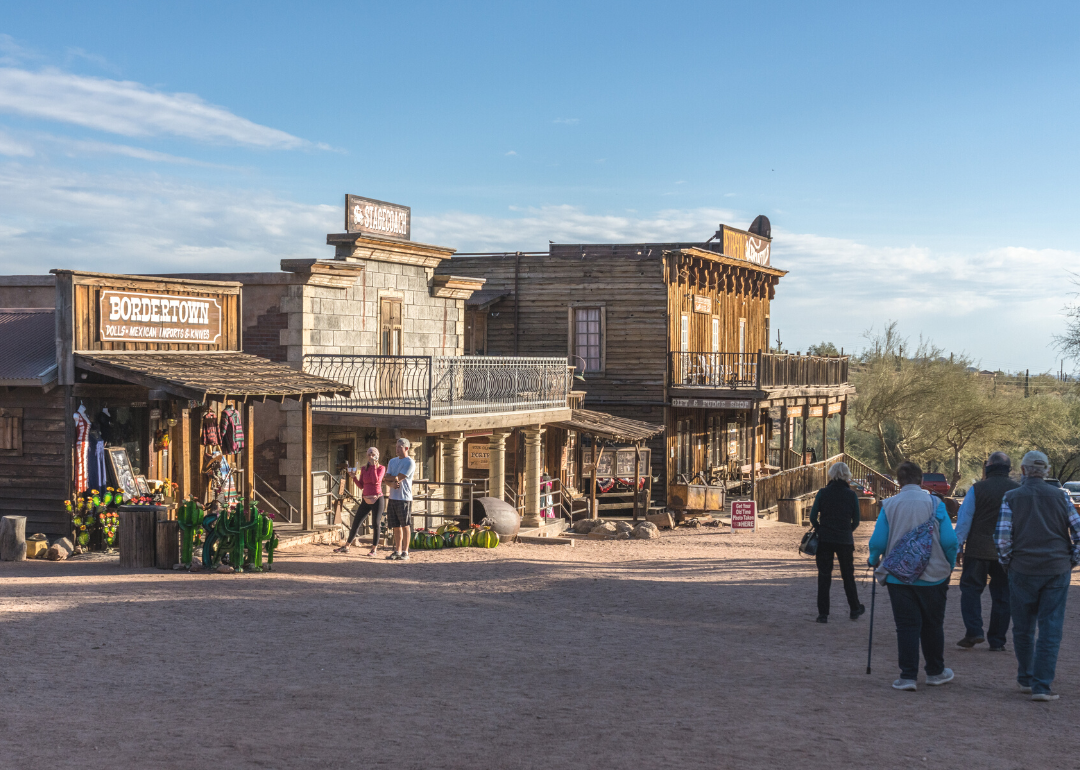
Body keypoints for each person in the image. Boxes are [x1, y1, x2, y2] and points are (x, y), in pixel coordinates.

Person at [996, 450, 1080, 702]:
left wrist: (1008, 563)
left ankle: (1026, 678)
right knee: (1050, 628)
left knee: (1023, 627)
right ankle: (1042, 686)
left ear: (1022, 470)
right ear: (1046, 471)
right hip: (1056, 569)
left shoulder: (1011, 497)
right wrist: (1071, 561)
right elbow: (1078, 532)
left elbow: (1002, 538)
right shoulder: (1062, 497)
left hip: (1022, 568)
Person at [869, 460, 958, 691]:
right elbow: (949, 541)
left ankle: (908, 676)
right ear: (922, 480)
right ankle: (935, 672)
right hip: (934, 575)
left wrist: (873, 559)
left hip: (898, 576)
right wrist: (948, 563)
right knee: (932, 624)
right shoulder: (935, 503)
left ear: (898, 482)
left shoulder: (889, 505)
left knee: (906, 626)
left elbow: (878, 541)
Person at [953, 452, 1019, 650]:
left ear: (988, 468)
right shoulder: (1017, 491)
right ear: (1008, 469)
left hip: (978, 550)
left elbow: (965, 520)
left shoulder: (977, 489)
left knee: (971, 591)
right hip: (1006, 552)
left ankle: (974, 631)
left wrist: (958, 546)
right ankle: (997, 641)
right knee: (1002, 595)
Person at [809, 461, 864, 623]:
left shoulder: (823, 493)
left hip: (825, 538)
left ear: (831, 474)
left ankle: (823, 614)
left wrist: (820, 529)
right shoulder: (851, 495)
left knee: (824, 576)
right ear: (847, 475)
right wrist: (848, 530)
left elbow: (813, 517)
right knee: (848, 575)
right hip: (845, 539)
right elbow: (857, 520)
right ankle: (854, 608)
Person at [333, 447, 385, 556]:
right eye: (368, 454)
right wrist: (353, 477)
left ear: (377, 456)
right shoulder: (363, 468)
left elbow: (376, 481)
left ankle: (374, 549)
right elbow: (361, 485)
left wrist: (374, 466)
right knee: (356, 522)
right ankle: (346, 546)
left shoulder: (381, 468)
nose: (370, 456)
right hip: (366, 498)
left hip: (377, 498)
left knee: (376, 523)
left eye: (372, 454)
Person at [384, 437, 416, 561]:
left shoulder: (409, 462)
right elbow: (386, 478)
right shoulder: (392, 461)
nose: (397, 449)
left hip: (404, 498)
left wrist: (391, 479)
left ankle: (405, 551)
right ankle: (397, 550)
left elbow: (399, 477)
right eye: (396, 446)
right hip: (393, 497)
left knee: (405, 524)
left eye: (400, 447)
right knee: (395, 526)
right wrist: (390, 483)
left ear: (406, 448)